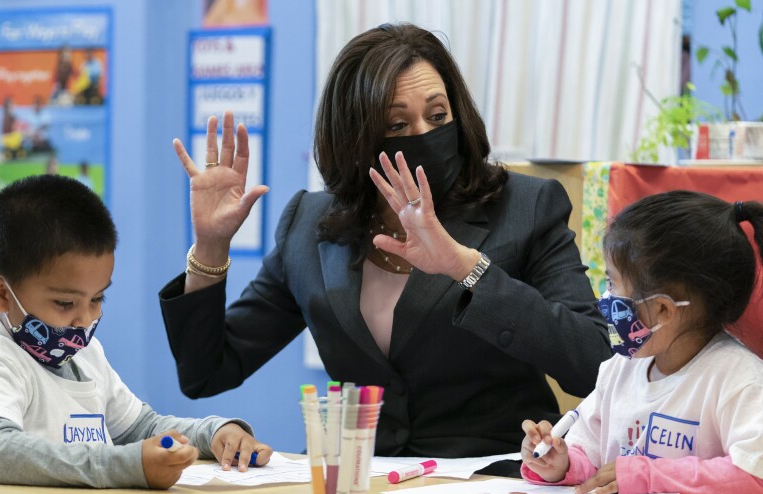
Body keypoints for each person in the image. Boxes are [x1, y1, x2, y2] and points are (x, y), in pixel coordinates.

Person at [160, 23, 612, 465]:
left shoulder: (525, 206)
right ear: (355, 138)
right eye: (397, 123)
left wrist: (466, 267)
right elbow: (207, 371)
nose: (423, 135)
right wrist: (211, 248)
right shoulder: (308, 222)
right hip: (357, 479)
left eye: (437, 117)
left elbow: (594, 361)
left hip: (490, 479)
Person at [0, 175, 272, 488]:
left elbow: (141, 428)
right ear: (0, 293)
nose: (85, 319)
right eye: (65, 303)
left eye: (97, 298)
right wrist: (125, 465)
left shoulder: (83, 353)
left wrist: (212, 433)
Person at [520, 191, 763, 494]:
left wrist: (651, 475)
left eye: (612, 283)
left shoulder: (739, 379)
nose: (605, 298)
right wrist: (559, 463)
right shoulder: (619, 369)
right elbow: (591, 458)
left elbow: (754, 474)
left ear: (663, 309)